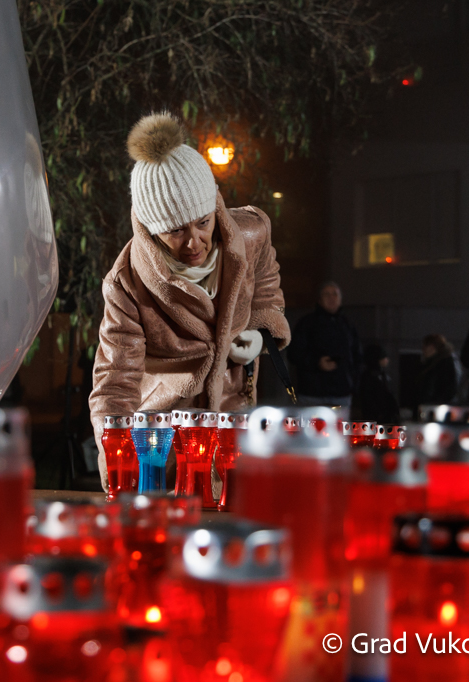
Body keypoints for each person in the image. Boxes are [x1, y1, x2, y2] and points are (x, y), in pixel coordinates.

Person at [88, 112, 289, 486]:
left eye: (203, 222)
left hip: (233, 437)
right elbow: (115, 383)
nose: (194, 241)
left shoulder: (252, 234)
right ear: (153, 229)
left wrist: (261, 333)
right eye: (176, 231)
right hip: (164, 446)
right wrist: (119, 470)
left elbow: (266, 289)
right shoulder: (127, 282)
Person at [287, 281, 362, 407]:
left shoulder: (348, 325)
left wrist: (353, 384)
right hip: (313, 394)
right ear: (320, 300)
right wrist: (317, 363)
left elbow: (357, 356)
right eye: (327, 294)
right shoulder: (306, 323)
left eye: (335, 294)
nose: (331, 298)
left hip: (342, 393)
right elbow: (294, 353)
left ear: (340, 300)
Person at [411, 334, 459, 413]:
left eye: (425, 346)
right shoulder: (439, 363)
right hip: (433, 407)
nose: (423, 350)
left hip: (433, 408)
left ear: (432, 347)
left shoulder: (441, 364)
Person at [355, 344, 400, 424]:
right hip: (376, 418)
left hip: (383, 417)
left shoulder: (382, 375)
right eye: (384, 357)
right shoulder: (370, 376)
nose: (387, 360)